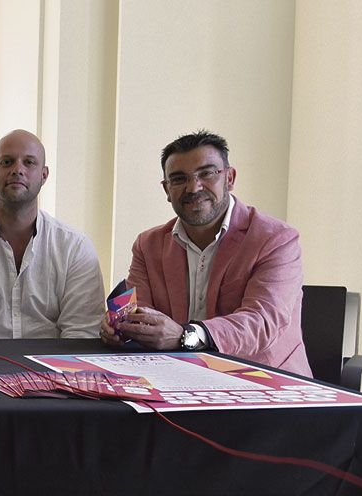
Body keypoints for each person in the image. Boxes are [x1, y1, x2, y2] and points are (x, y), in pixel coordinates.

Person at [102, 130, 311, 376]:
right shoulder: (148, 245)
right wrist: (122, 328)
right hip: (174, 380)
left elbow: (261, 323)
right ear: (167, 190)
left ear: (230, 178)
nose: (194, 187)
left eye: (207, 173)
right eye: (179, 179)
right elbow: (141, 312)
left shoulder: (275, 239)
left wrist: (186, 335)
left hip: (262, 384)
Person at [0, 129, 103, 338]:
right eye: (7, 162)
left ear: (44, 175)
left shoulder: (75, 248)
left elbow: (82, 336)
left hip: (54, 370)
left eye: (29, 162)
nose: (17, 170)